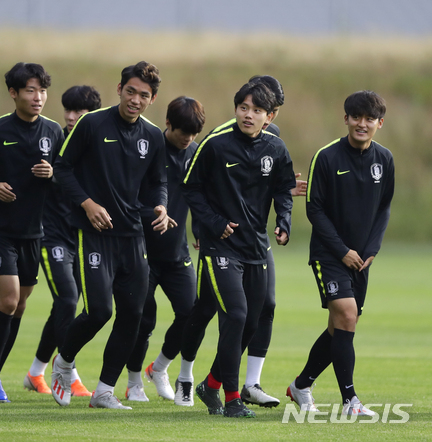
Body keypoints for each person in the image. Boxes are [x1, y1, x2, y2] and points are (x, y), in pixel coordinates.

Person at [178, 75, 306, 409]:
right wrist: (213, 223)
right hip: (220, 247)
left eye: (257, 109)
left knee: (254, 317)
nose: (248, 114)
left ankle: (212, 383)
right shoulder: (216, 144)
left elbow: (282, 189)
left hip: (255, 247)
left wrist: (283, 220)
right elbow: (190, 187)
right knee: (234, 314)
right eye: (243, 107)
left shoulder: (275, 148)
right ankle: (232, 397)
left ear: (270, 117)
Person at [50, 61, 171, 410]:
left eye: (143, 95)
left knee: (133, 314)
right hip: (95, 233)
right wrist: (88, 204)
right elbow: (62, 167)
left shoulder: (152, 136)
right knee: (100, 310)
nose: (135, 100)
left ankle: (104, 391)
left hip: (133, 236)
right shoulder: (92, 123)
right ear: (119, 90)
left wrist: (160, 207)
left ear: (153, 98)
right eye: (130, 91)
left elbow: (157, 182)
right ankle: (63, 364)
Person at [0, 62, 64, 403]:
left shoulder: (53, 132)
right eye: (31, 90)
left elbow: (67, 178)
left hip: (34, 231)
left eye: (42, 91)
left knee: (18, 306)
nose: (38, 98)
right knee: (7, 300)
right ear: (14, 93)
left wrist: (52, 174)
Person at [287, 90, 394, 417]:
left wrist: (371, 249)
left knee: (340, 327)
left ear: (380, 123)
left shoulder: (385, 159)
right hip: (329, 254)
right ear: (345, 118)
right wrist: (343, 250)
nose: (362, 124)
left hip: (362, 258)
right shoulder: (327, 156)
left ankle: (301, 385)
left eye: (369, 119)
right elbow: (314, 210)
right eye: (356, 117)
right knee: (347, 315)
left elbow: (384, 207)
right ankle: (351, 401)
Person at [124, 96, 205, 406]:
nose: (188, 139)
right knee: (144, 321)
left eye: (194, 134)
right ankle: (133, 383)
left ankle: (159, 368)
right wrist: (153, 213)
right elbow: (126, 197)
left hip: (176, 253)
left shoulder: (195, 153)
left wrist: (198, 229)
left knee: (191, 313)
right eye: (183, 132)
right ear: (168, 124)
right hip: (141, 249)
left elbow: (200, 196)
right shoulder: (148, 148)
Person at [24, 85, 101, 397]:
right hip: (51, 233)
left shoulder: (99, 144)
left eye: (78, 111)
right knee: (68, 300)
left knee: (64, 306)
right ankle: (68, 372)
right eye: (67, 110)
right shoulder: (52, 140)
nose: (70, 117)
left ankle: (35, 372)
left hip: (84, 237)